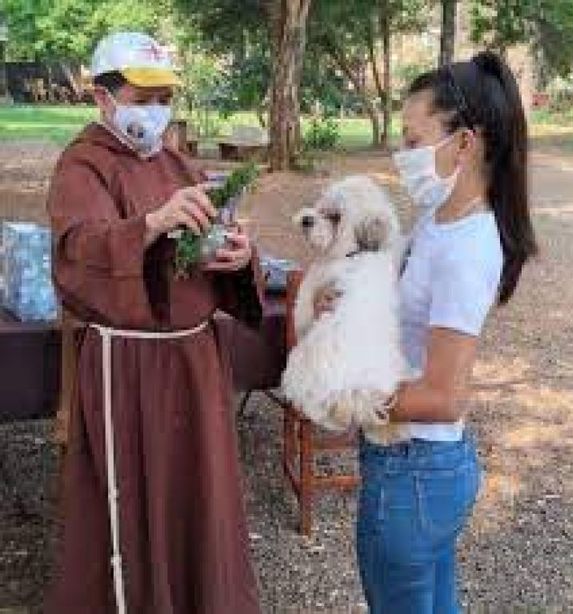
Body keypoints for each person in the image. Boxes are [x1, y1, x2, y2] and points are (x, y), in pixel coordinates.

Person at [45, 32, 262, 613]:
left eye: (164, 95)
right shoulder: (81, 164)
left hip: (194, 360)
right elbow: (78, 252)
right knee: (132, 502)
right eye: (142, 96)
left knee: (199, 498)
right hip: (131, 368)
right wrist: (149, 224)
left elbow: (204, 248)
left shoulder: (176, 160)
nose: (156, 109)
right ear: (103, 99)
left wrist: (239, 255)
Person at [317, 51, 538, 613]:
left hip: (414, 470)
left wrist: (345, 400)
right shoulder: (440, 221)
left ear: (464, 143)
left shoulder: (467, 247)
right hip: (416, 469)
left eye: (414, 142)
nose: (403, 156)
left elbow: (444, 396)